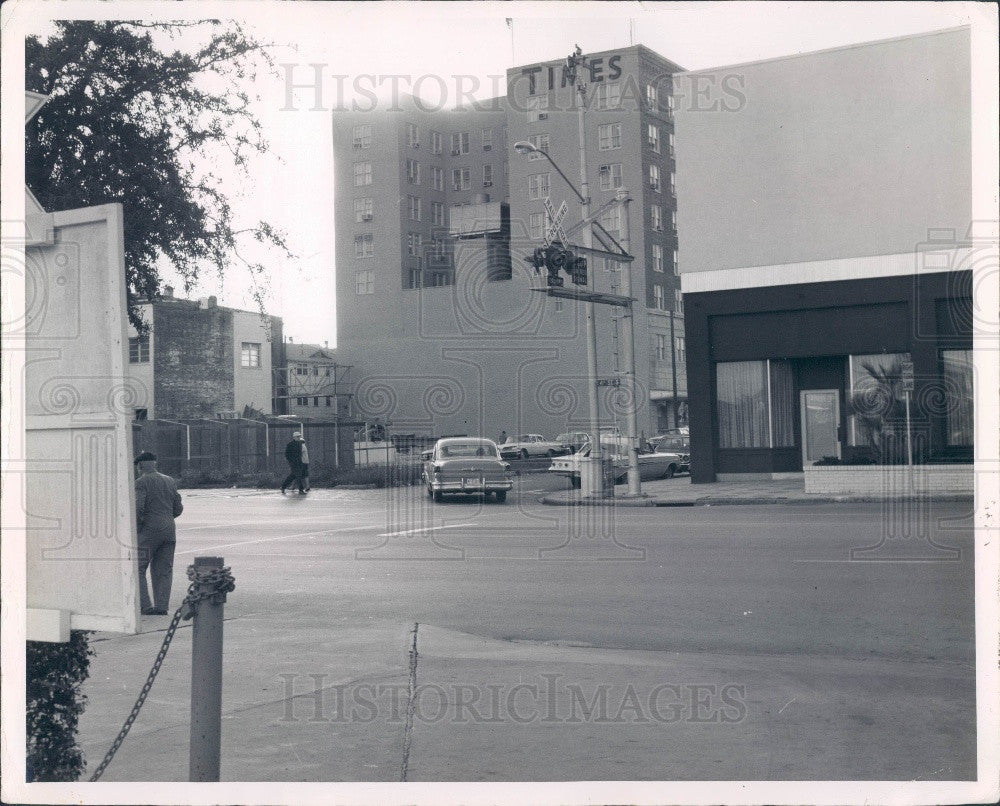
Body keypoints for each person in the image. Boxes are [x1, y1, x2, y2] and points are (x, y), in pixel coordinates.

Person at [134, 451, 183, 616]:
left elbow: (138, 508)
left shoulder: (141, 482)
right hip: (170, 530)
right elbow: (178, 508)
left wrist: (137, 527)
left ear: (140, 466)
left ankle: (145, 606)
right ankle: (162, 606)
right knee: (164, 569)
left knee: (137, 567)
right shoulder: (170, 481)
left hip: (149, 530)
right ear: (154, 464)